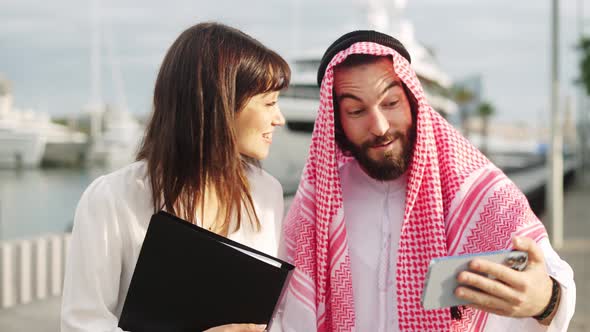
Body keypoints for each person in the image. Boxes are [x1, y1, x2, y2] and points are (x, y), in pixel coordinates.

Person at [279, 30, 575, 331]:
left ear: (412, 101)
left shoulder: (477, 190)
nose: (379, 126)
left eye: (391, 103)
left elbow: (553, 282)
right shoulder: (317, 207)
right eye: (356, 111)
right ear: (336, 122)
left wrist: (545, 301)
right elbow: (285, 314)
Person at [61, 22, 290, 332]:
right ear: (219, 104)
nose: (280, 119)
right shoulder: (112, 198)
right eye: (269, 103)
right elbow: (82, 324)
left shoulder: (266, 194)